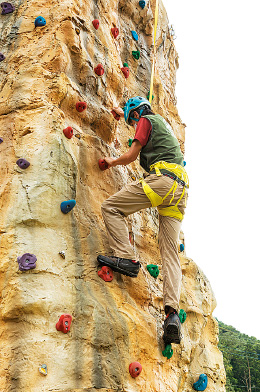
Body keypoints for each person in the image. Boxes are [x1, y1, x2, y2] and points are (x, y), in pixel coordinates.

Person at [97, 96, 189, 345]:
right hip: (180, 191)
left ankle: (126, 258)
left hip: (162, 181)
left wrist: (111, 161)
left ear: (137, 114)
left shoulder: (145, 121)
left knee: (111, 207)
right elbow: (144, 133)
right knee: (170, 253)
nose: (133, 123)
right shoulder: (159, 122)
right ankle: (172, 316)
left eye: (131, 119)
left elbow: (130, 155)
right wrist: (118, 111)